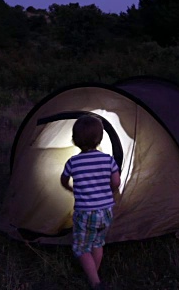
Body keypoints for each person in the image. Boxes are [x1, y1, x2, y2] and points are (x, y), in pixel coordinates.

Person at [60, 115, 121, 290]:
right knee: (97, 242)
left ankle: (95, 282)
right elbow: (116, 183)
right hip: (106, 211)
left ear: (74, 140)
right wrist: (107, 190)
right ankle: (94, 271)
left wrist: (70, 188)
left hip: (85, 212)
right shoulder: (108, 159)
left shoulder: (73, 162)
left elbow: (63, 180)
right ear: (100, 138)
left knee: (81, 248)